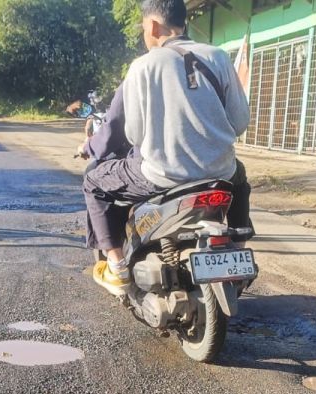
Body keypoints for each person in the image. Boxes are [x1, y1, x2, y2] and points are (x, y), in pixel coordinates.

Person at [82, 0, 250, 295]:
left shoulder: (143, 66)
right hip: (220, 172)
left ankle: (118, 268)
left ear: (153, 25)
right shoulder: (219, 57)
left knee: (94, 181)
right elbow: (239, 122)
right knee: (241, 175)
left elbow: (134, 135)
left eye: (143, 27)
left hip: (162, 176)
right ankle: (237, 248)